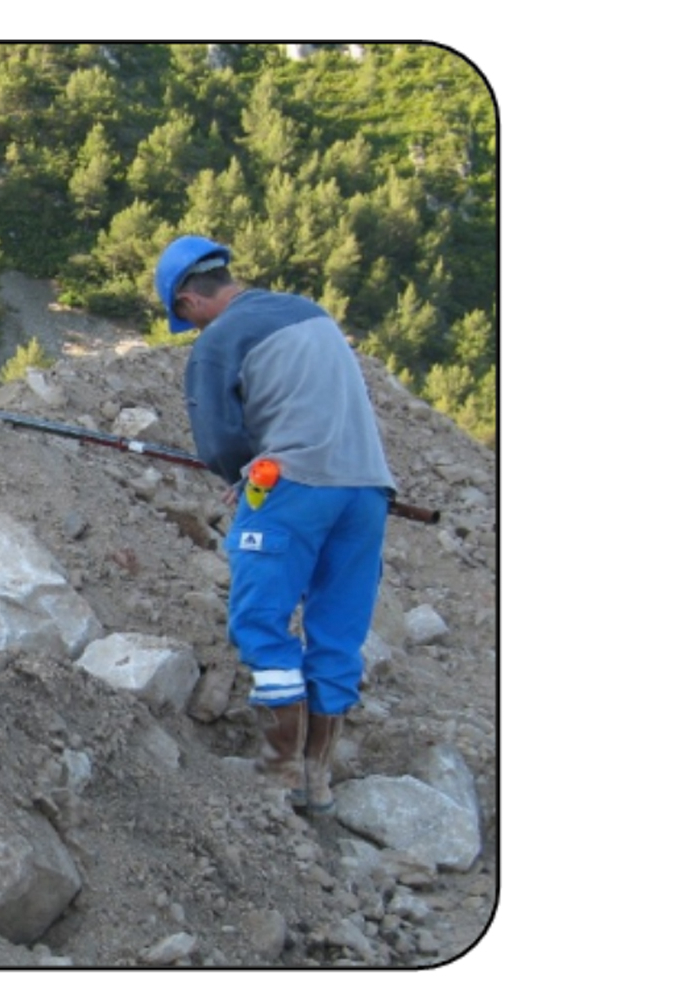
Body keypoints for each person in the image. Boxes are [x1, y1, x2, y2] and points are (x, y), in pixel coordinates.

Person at [154, 234, 397, 814]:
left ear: (188, 301)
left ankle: (279, 769)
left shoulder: (218, 342)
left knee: (261, 621)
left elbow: (218, 442)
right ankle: (319, 779)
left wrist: (239, 472)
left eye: (184, 318)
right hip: (366, 491)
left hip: (294, 487)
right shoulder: (309, 312)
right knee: (337, 634)